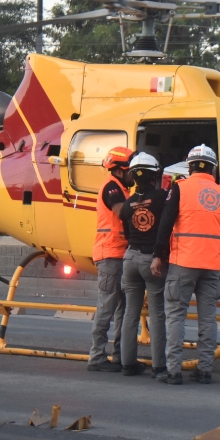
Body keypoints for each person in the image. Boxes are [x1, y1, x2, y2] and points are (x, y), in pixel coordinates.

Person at [151, 144, 220, 385]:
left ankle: (174, 371)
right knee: (208, 318)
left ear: (189, 167)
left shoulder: (180, 188)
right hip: (210, 265)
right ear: (213, 169)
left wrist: (158, 254)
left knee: (176, 316)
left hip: (183, 262)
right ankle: (204, 370)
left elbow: (166, 223)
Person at [119, 152, 167, 378]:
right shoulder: (161, 197)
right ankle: (159, 366)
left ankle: (127, 364)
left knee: (131, 312)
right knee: (157, 314)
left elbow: (127, 233)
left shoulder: (127, 204)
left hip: (130, 258)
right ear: (154, 175)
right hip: (152, 260)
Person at [87, 146, 134, 372]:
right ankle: (97, 356)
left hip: (120, 253)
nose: (135, 175)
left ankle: (119, 356)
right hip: (110, 254)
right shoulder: (112, 188)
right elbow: (123, 213)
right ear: (120, 170)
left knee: (123, 308)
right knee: (107, 306)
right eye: (132, 170)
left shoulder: (122, 189)